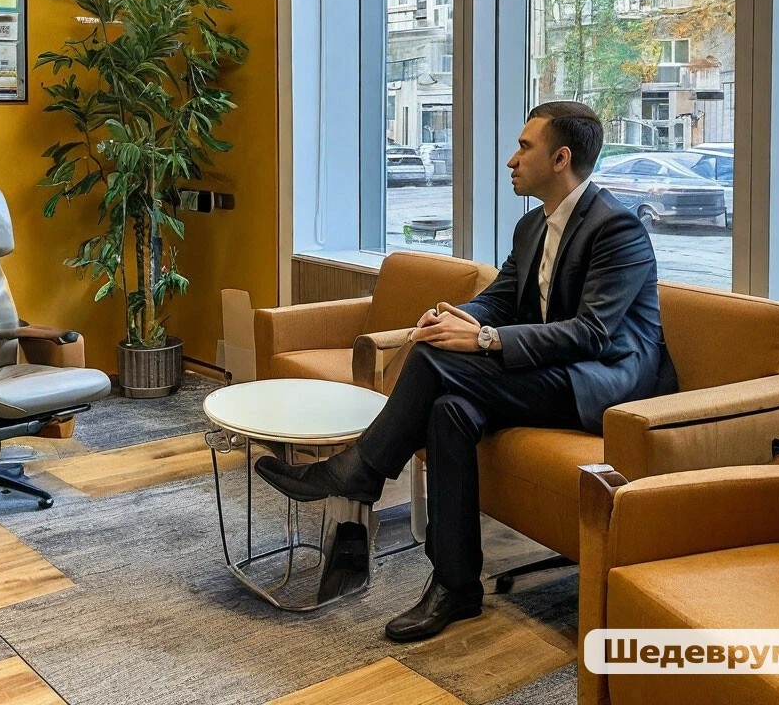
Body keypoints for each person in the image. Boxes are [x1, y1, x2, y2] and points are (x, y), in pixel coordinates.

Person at [255, 101, 665, 642]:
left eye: (524, 147)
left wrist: (484, 339)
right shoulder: (532, 227)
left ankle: (361, 470)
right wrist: (455, 315)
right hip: (550, 371)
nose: (512, 160)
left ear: (561, 158)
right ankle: (456, 585)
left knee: (436, 358)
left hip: (602, 382)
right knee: (450, 410)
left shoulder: (617, 228)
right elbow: (499, 299)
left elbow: (593, 333)